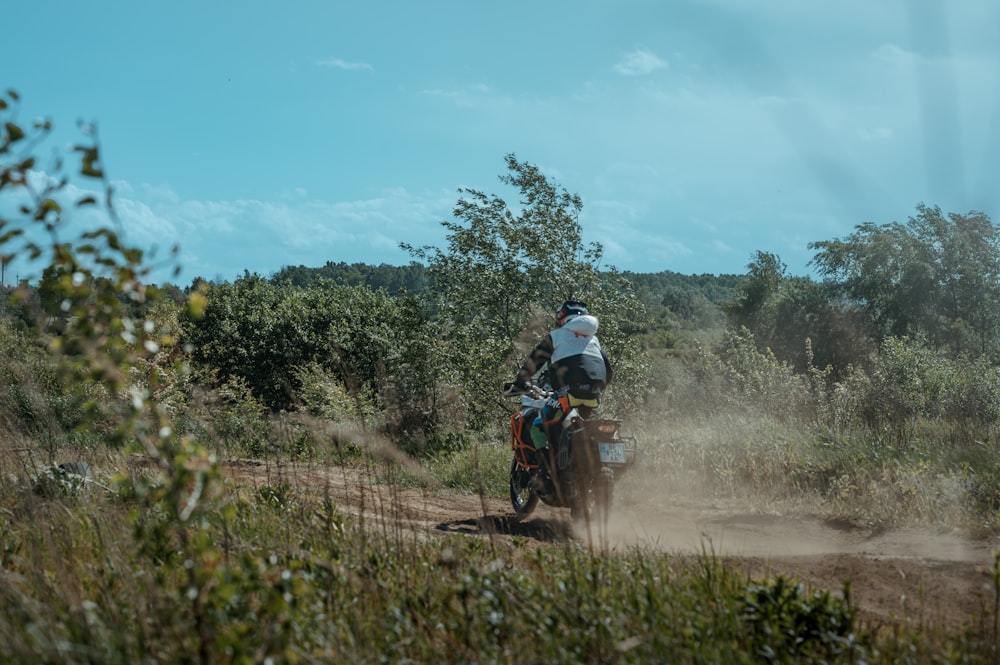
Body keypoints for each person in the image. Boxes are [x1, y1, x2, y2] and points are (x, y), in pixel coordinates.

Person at [514, 300, 613, 475]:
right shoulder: (594, 340)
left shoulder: (556, 335)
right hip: (594, 397)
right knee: (592, 428)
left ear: (562, 317)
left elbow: (533, 363)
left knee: (538, 425)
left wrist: (521, 382)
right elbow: (608, 371)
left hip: (566, 395)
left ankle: (544, 468)